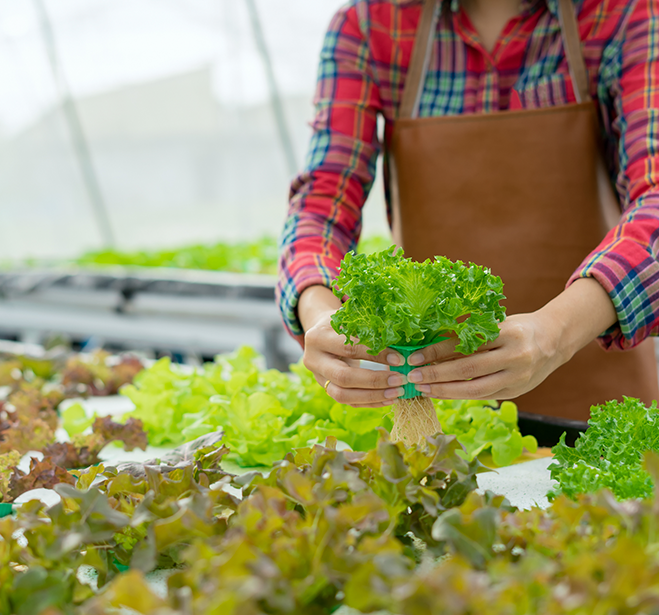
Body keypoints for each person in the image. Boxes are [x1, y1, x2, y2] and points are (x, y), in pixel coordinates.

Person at [276, 0, 659, 422]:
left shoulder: (625, 13)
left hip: (597, 393)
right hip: (435, 404)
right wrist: (319, 312)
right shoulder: (370, 25)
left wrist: (555, 333)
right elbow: (322, 201)